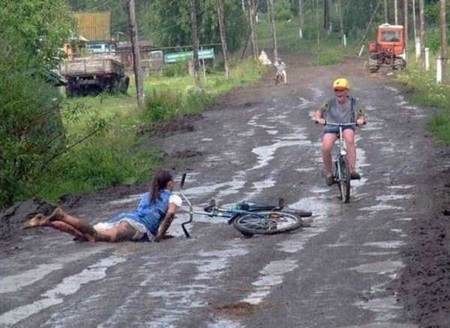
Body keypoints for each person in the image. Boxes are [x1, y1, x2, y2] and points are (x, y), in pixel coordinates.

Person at [23, 170, 182, 243]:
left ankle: (47, 222)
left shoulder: (148, 195)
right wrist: (160, 236)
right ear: (169, 183)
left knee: (84, 235)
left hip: (126, 218)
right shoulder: (173, 197)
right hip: (138, 226)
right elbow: (170, 215)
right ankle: (63, 216)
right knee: (102, 237)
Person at [314, 78, 366, 186]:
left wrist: (361, 120)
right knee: (326, 147)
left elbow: (361, 114)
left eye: (341, 90)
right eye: (336, 90)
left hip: (347, 125)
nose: (339, 93)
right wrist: (318, 119)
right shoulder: (329, 102)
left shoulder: (353, 102)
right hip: (331, 126)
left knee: (349, 139)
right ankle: (329, 173)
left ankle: (351, 169)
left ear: (347, 91)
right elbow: (319, 112)